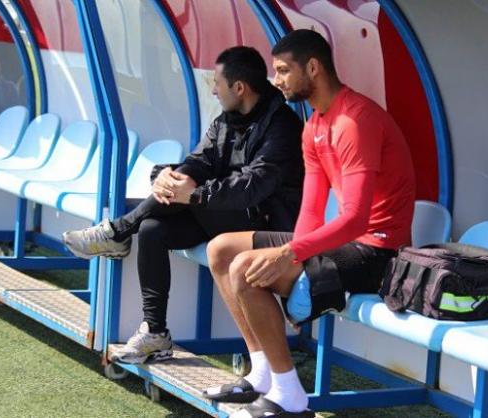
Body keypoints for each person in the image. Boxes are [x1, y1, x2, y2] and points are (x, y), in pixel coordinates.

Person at [204, 30, 416, 418]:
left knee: (245, 270)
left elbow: (355, 219)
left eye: (284, 70)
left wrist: (289, 254)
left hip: (377, 251)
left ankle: (291, 398)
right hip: (344, 240)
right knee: (221, 249)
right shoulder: (314, 126)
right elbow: (312, 212)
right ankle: (262, 373)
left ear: (313, 68)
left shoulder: (354, 121)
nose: (276, 80)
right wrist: (294, 254)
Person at [62, 46, 304, 364]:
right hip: (225, 215)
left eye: (217, 83)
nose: (214, 90)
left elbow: (252, 187)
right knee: (152, 229)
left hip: (266, 227)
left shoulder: (282, 126)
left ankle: (117, 231)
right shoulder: (228, 120)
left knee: (191, 199)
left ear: (240, 88)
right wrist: (170, 177)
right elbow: (201, 160)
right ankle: (155, 332)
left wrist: (194, 194)